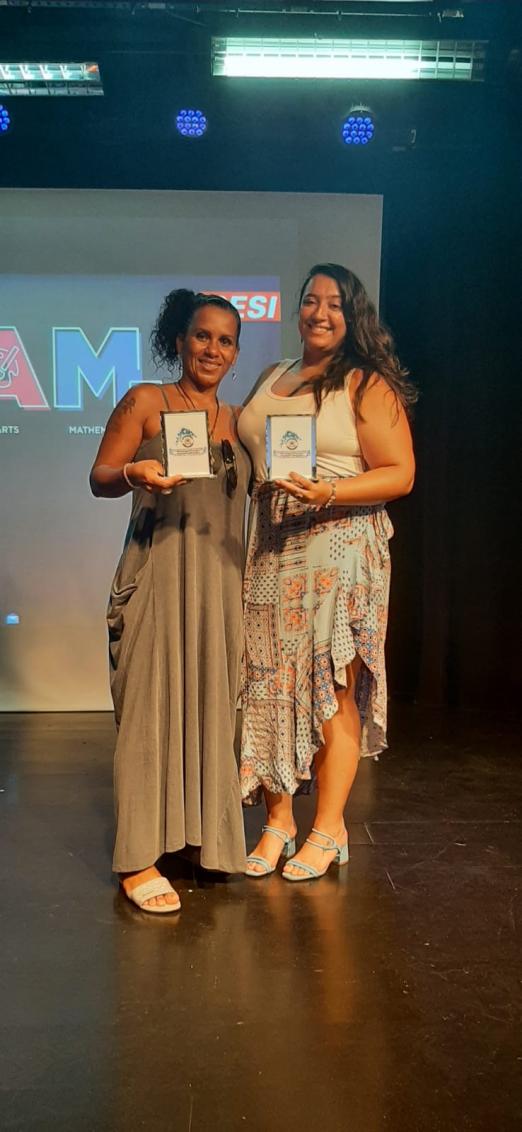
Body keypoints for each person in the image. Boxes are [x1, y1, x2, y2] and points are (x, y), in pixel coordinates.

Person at [237, 263, 415, 881]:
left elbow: (399, 473)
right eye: (310, 300)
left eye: (334, 304)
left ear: (353, 314)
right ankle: (278, 821)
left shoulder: (366, 384)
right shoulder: (272, 376)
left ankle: (328, 826)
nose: (319, 312)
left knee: (333, 686)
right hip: (270, 546)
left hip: (339, 545)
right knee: (266, 683)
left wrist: (328, 494)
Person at [90, 289, 250, 912]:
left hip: (218, 586)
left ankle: (199, 841)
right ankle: (136, 860)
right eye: (202, 336)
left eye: (226, 340)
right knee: (148, 715)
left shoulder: (241, 420)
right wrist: (138, 473)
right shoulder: (147, 401)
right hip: (157, 571)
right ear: (179, 340)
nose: (213, 349)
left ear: (237, 353)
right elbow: (99, 477)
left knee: (211, 711)